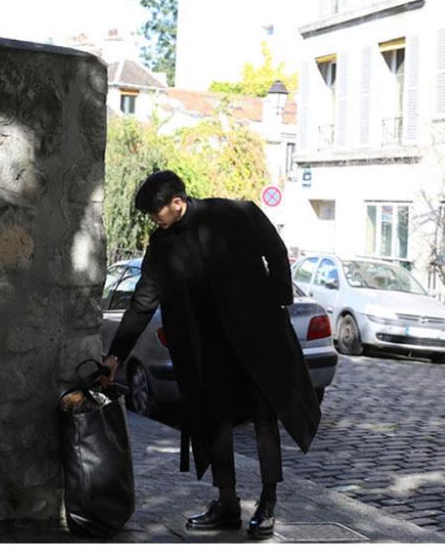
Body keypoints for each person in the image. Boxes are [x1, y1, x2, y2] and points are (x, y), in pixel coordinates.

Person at [103, 170, 320, 540]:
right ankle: (227, 503)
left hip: (253, 340)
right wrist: (115, 356)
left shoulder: (235, 214)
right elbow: (143, 301)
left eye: (156, 211)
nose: (153, 219)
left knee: (264, 417)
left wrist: (275, 304)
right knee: (213, 420)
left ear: (177, 202)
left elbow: (276, 251)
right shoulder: (161, 244)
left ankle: (268, 501)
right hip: (205, 349)